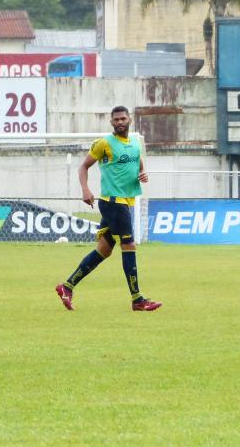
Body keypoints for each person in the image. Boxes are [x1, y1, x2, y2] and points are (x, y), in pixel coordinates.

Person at [55, 105, 162, 312]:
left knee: (103, 250)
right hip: (113, 202)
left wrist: (142, 174)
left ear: (129, 119)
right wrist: (85, 189)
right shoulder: (104, 143)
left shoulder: (135, 142)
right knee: (129, 245)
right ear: (111, 122)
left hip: (126, 201)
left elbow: (138, 163)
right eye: (116, 119)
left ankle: (66, 286)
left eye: (123, 118)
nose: (120, 122)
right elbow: (84, 166)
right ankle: (137, 299)